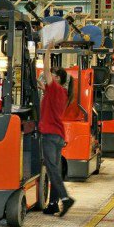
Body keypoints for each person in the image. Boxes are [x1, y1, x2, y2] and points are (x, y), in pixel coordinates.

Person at [39, 66, 75, 217]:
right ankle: (53, 203)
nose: (49, 76)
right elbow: (48, 92)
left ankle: (65, 198)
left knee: (52, 169)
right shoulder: (61, 92)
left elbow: (45, 69)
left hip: (49, 134)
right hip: (58, 136)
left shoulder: (55, 88)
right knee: (55, 169)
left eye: (53, 75)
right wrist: (42, 87)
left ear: (58, 78)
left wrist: (48, 50)